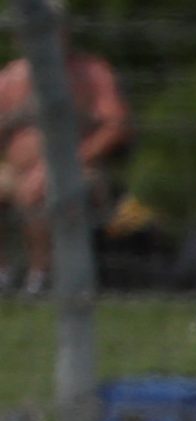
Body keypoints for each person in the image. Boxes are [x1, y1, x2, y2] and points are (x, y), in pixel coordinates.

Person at [0, 21, 132, 297]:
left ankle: (41, 276)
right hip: (17, 171)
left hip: (80, 166)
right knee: (17, 184)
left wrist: (64, 163)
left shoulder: (92, 73)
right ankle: (5, 273)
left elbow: (117, 126)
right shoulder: (11, 77)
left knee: (39, 190)